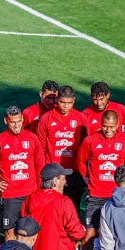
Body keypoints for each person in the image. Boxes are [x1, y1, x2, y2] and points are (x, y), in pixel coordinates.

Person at [76, 110, 125, 250]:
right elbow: (81, 161)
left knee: (116, 234)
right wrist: (88, 180)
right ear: (100, 124)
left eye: (111, 126)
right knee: (89, 234)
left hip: (117, 196)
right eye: (105, 126)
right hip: (95, 195)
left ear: (118, 125)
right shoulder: (90, 140)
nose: (108, 130)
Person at [0, 106, 44, 242]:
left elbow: (39, 165)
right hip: (10, 195)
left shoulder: (32, 138)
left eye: (19, 121)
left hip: (31, 192)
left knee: (33, 227)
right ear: (5, 121)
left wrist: (40, 188)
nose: (16, 125)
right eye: (12, 122)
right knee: (9, 230)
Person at [36, 84, 87, 214]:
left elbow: (86, 149)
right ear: (57, 99)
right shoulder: (46, 119)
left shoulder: (81, 119)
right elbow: (41, 148)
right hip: (53, 172)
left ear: (74, 100)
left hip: (73, 172)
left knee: (72, 208)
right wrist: (41, 172)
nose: (65, 106)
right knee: (51, 208)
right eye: (62, 102)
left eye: (69, 103)